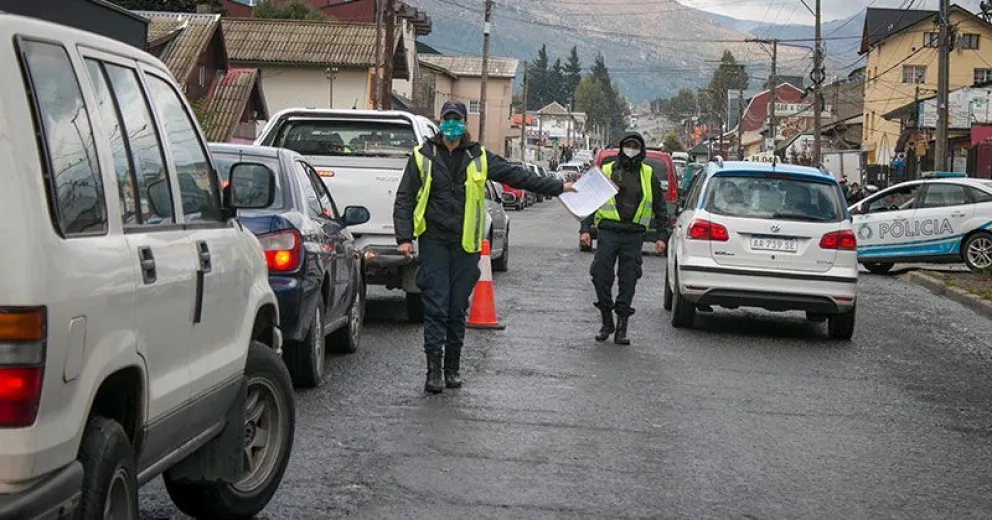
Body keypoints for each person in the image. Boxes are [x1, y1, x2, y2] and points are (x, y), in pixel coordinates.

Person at [394, 101, 576, 394]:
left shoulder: (477, 157)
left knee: (456, 309)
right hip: (434, 242)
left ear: (465, 124)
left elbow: (516, 175)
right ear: (440, 122)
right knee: (436, 307)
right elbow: (404, 198)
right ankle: (434, 372)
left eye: (457, 120)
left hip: (466, 245)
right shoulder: (422, 156)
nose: (452, 124)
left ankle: (452, 368)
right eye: (447, 119)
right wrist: (403, 237)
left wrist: (557, 186)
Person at [579, 133, 668, 346]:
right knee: (600, 275)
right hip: (608, 233)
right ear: (621, 147)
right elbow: (591, 200)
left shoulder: (648, 174)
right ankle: (606, 321)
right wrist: (585, 229)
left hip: (633, 235)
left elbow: (660, 208)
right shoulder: (608, 170)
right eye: (627, 145)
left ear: (641, 150)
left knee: (628, 280)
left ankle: (621, 328)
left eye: (635, 146)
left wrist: (662, 237)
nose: (630, 149)